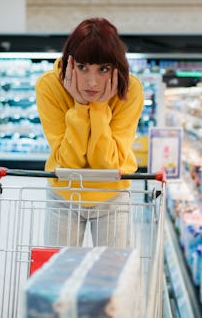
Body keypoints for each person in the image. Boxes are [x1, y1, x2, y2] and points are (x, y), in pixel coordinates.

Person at [35, 17, 144, 247]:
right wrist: (80, 107)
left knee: (111, 275)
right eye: (82, 67)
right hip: (64, 195)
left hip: (112, 197)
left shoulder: (130, 90)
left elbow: (108, 163)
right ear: (69, 63)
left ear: (116, 67)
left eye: (103, 69)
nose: (91, 82)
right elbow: (67, 163)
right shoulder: (49, 86)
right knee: (59, 276)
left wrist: (98, 108)